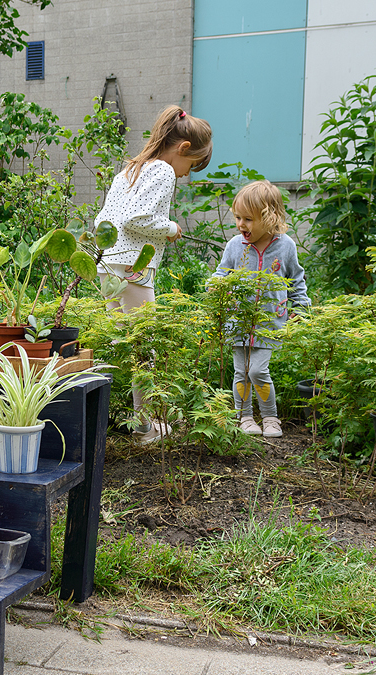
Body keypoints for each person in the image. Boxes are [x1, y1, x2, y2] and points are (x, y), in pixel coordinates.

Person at [94, 105, 212, 443]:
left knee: (118, 342)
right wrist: (171, 227)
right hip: (134, 265)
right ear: (183, 148)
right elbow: (137, 219)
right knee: (145, 345)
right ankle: (145, 427)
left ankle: (110, 418)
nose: (187, 174)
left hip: (108, 263)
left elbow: (106, 218)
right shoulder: (163, 170)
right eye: (192, 165)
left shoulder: (130, 169)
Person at [210, 180, 309, 439]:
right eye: (238, 218)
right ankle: (244, 417)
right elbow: (222, 272)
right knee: (241, 372)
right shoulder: (235, 245)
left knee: (257, 370)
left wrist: (301, 308)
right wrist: (216, 285)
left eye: (248, 219)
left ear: (269, 217)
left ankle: (270, 417)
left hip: (269, 322)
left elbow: (296, 280)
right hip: (238, 321)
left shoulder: (285, 246)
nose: (241, 225)